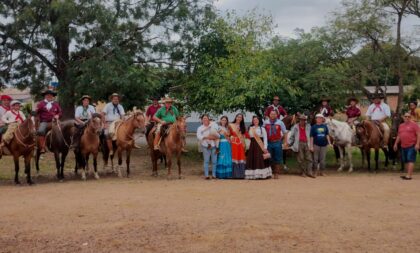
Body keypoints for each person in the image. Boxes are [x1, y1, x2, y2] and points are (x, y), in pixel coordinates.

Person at [393, 112, 420, 180]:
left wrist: (417, 144)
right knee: (406, 160)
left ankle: (409, 175)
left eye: (408, 116)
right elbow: (399, 135)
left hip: (412, 145)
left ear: (410, 117)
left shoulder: (414, 125)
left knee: (410, 160)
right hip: (403, 146)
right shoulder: (401, 125)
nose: (407, 118)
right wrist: (395, 143)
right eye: (406, 116)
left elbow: (418, 135)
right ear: (403, 117)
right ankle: (407, 174)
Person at [263, 110, 287, 179]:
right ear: (269, 115)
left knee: (277, 158)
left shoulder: (280, 122)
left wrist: (285, 142)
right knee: (269, 158)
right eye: (271, 114)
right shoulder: (266, 122)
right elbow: (262, 131)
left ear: (277, 115)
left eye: (274, 114)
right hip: (268, 142)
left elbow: (285, 132)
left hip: (277, 142)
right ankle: (270, 172)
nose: (273, 115)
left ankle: (276, 173)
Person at [197, 114, 220, 179]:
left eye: (206, 118)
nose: (205, 119)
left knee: (214, 161)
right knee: (206, 161)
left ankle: (214, 175)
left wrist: (213, 137)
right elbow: (199, 136)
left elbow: (218, 135)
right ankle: (206, 175)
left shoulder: (213, 126)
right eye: (204, 118)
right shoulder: (200, 128)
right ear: (202, 120)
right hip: (205, 146)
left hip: (214, 145)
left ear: (208, 119)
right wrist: (207, 137)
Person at [229, 113, 247, 179]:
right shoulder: (231, 125)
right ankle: (235, 175)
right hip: (234, 143)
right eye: (238, 117)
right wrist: (231, 136)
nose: (239, 118)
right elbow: (228, 134)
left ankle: (241, 175)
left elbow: (244, 136)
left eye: (240, 117)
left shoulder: (242, 127)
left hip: (240, 144)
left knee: (240, 157)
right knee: (234, 156)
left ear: (242, 119)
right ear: (236, 117)